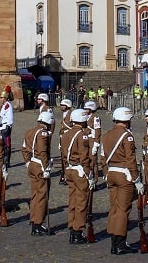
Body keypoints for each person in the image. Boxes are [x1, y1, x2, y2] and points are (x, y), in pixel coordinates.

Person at [101, 106, 142, 254]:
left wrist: (105, 173)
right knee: (123, 209)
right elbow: (130, 159)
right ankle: (120, 243)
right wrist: (136, 178)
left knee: (114, 207)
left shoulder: (106, 135)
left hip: (111, 173)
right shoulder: (127, 136)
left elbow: (103, 158)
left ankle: (114, 242)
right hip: (124, 174)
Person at [61, 108, 92, 244]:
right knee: (81, 201)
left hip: (69, 168)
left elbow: (63, 154)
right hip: (79, 170)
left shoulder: (66, 134)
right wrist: (88, 172)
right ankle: (77, 230)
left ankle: (72, 226)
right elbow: (84, 156)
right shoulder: (82, 135)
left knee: (72, 200)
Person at [22, 111, 54, 235]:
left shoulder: (29, 131)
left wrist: (27, 162)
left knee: (35, 194)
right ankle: (38, 223)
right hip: (40, 165)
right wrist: (46, 168)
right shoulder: (43, 133)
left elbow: (24, 148)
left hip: (32, 163)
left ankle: (34, 218)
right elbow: (42, 152)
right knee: (42, 195)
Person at [84, 100, 102, 186]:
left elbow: (98, 131)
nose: (85, 110)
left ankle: (94, 180)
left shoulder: (95, 118)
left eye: (86, 109)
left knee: (93, 161)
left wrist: (96, 143)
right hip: (86, 139)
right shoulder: (86, 117)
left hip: (92, 139)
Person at [58, 98, 73, 186]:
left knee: (67, 156)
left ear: (67, 106)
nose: (61, 107)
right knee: (63, 157)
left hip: (68, 137)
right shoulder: (64, 114)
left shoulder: (71, 114)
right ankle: (63, 175)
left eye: (63, 105)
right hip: (63, 137)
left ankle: (67, 176)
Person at [0, 89, 14, 168]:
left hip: (6, 127)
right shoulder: (5, 105)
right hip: (2, 127)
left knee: (7, 145)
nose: (0, 99)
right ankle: (4, 160)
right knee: (3, 145)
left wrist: (9, 126)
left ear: (5, 98)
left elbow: (10, 117)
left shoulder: (8, 105)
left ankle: (7, 161)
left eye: (2, 98)